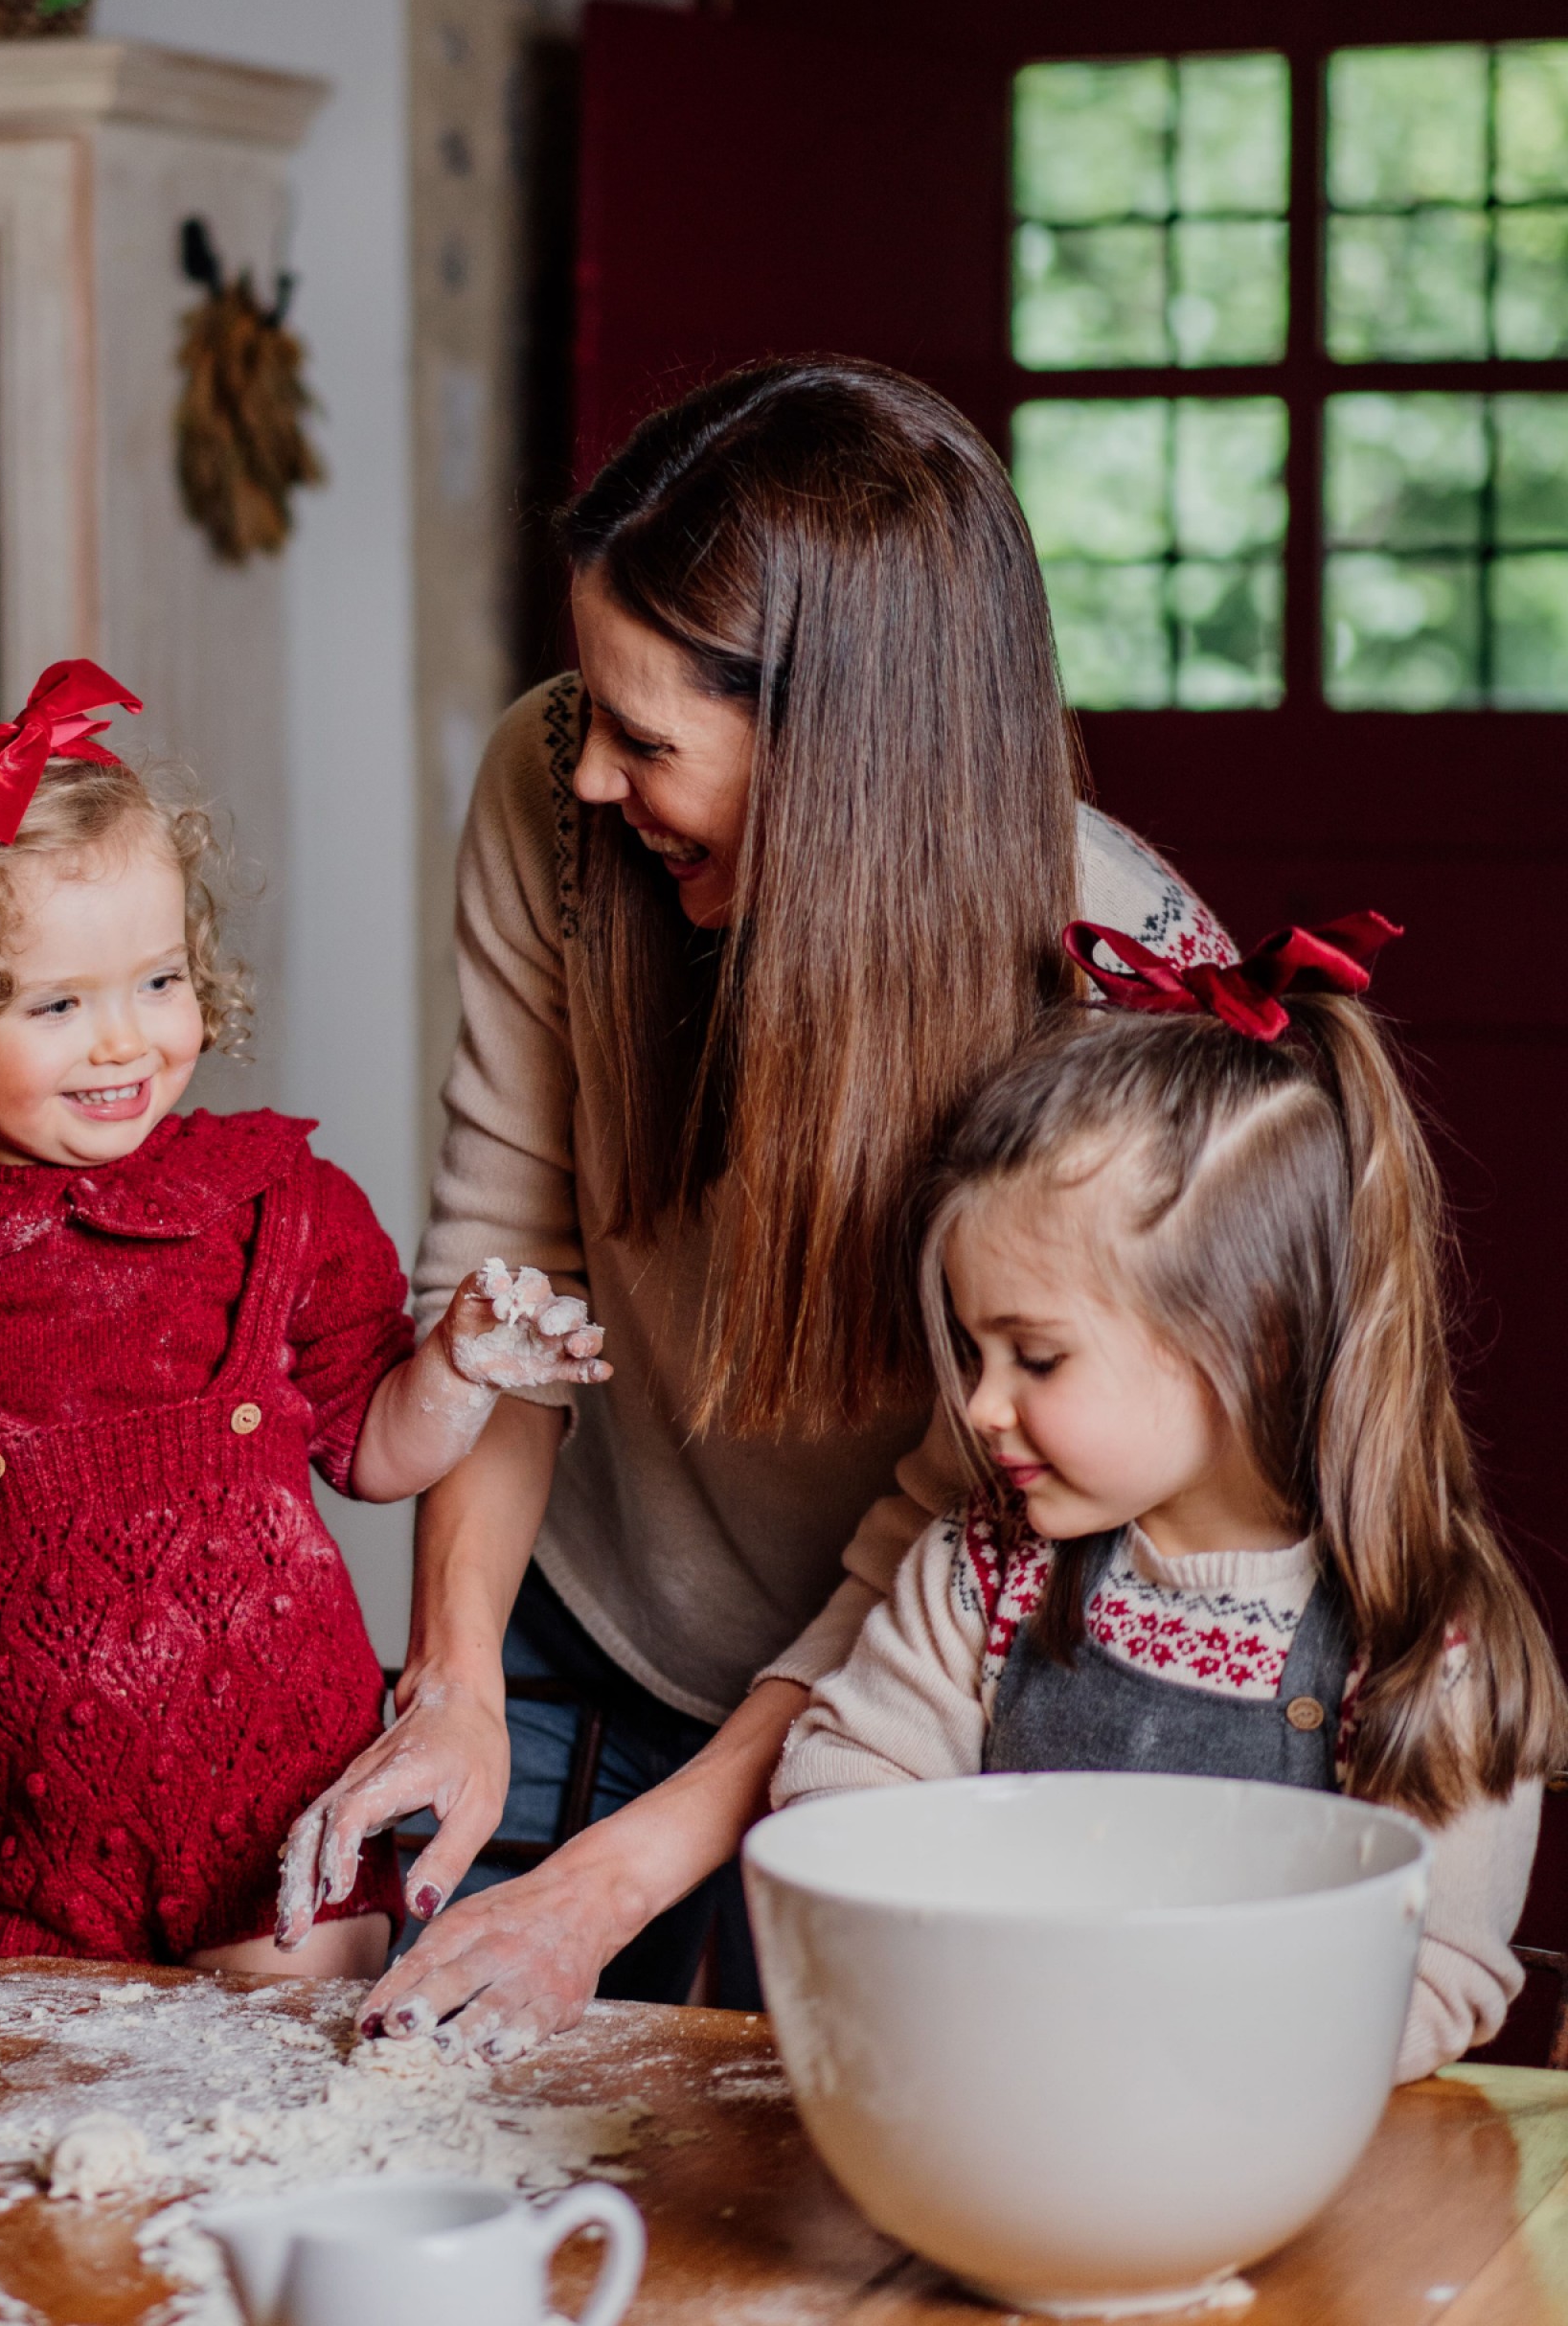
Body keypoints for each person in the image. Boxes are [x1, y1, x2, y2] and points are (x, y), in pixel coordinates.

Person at [272, 358, 1231, 2052]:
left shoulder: (1109, 987)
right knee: (432, 2103)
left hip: (925, 1683)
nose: (591, 773)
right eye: (594, 712)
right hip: (588, 1615)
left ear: (848, 755)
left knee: (836, 2174)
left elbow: (960, 1511)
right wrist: (455, 1684)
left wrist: (616, 1880)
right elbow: (506, 1256)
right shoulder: (550, 790)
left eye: (649, 741)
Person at [0, 661, 605, 1975]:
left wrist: (459, 1369)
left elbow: (380, 1452)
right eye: (58, 1004)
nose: (124, 1041)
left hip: (289, 1829)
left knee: (277, 2096)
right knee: (68, 2106)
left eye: (159, 981)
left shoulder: (276, 1207)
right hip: (36, 1845)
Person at [775, 914, 1568, 2078]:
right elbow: (849, 1790)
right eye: (975, 1351)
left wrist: (1170, 2051)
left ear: (1250, 1342)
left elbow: (1434, 1970)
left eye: (1036, 1357)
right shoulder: (983, 1570)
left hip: (1268, 2143)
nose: (981, 1406)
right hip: (997, 2092)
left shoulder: (1420, 1647)